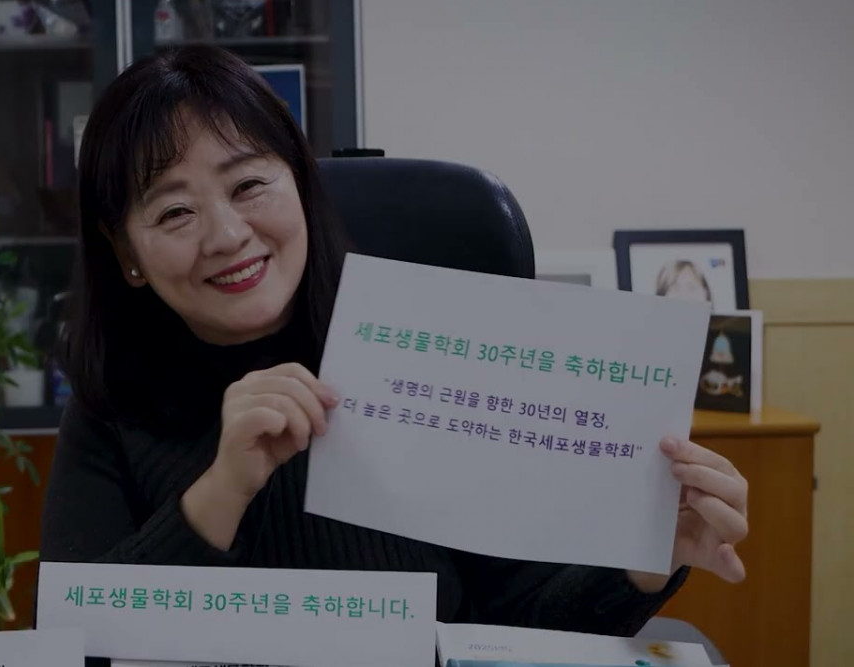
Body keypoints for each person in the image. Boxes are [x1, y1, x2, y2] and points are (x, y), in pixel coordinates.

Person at [41, 45, 749, 636]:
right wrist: (223, 490)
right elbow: (81, 641)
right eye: (174, 211)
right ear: (125, 252)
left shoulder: (430, 361)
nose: (227, 235)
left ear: (301, 184)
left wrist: (643, 562)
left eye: (249, 183)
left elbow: (516, 627)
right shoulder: (109, 407)